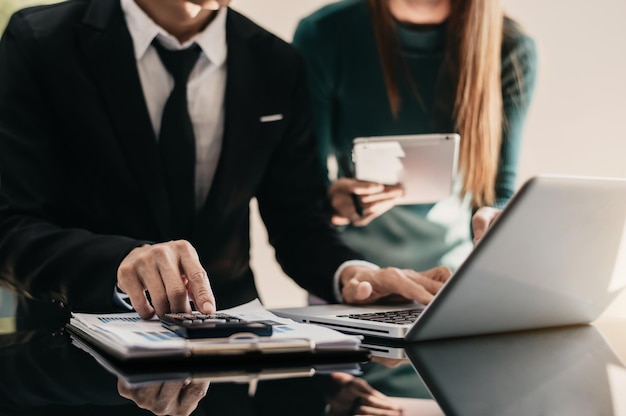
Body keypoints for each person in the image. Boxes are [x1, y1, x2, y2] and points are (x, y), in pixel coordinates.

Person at [0, 0, 452, 325]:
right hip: (68, 356)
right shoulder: (40, 42)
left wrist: (358, 274)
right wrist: (119, 264)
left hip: (230, 357)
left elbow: (299, 224)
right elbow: (10, 224)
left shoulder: (278, 64)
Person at [292, 0, 538, 285]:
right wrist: (335, 204)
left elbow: (498, 192)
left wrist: (495, 221)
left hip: (453, 282)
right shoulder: (324, 34)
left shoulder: (509, 47)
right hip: (354, 278)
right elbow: (305, 197)